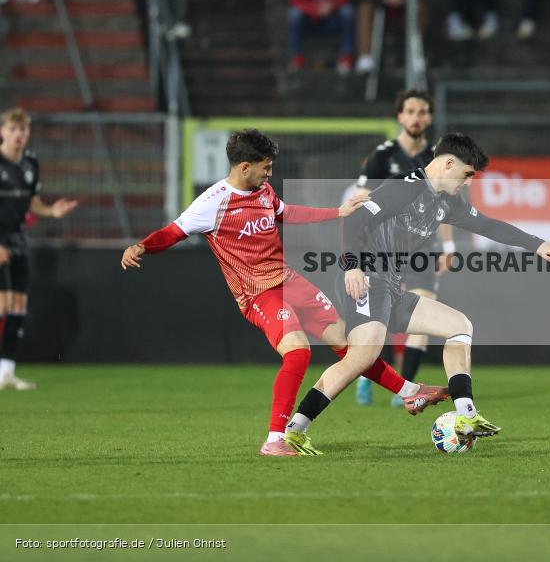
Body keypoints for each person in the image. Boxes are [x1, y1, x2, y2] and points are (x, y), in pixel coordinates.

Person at [120, 129, 447, 456]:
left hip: (290, 282)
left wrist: (338, 212)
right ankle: (274, 438)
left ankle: (410, 392)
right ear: (244, 167)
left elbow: (286, 213)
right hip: (258, 293)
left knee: (349, 345)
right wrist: (142, 247)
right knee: (298, 351)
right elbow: (172, 232)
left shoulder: (263, 190)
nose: (270, 173)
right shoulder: (212, 203)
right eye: (266, 166)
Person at [282, 132, 550, 455]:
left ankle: (466, 416)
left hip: (390, 288)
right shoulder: (404, 188)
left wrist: (537, 243)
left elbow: (489, 226)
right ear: (448, 163)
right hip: (367, 280)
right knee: (362, 356)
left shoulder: (446, 203)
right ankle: (295, 428)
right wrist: (352, 267)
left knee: (460, 326)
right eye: (467, 174)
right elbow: (357, 219)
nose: (469, 183)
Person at [353, 89, 454, 407]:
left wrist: (448, 245)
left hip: (423, 246)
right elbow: (360, 203)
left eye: (422, 111)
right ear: (400, 116)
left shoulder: (440, 160)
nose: (416, 117)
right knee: (377, 318)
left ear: (430, 117)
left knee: (426, 307)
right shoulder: (381, 157)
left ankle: (405, 388)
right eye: (410, 111)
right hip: (383, 247)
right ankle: (364, 374)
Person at [0, 108, 77, 390]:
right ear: (2, 132)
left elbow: (31, 201)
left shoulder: (30, 163)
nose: (19, 135)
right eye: (13, 129)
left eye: (23, 130)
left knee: (18, 306)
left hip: (18, 239)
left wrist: (51, 211)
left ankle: (5, 373)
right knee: (2, 304)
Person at [287, 0, 355, 74]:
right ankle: (297, 58)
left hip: (330, 18)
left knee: (347, 12)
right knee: (294, 14)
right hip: (309, 20)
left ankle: (346, 58)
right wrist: (316, 9)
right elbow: (296, 1)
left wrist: (332, 5)